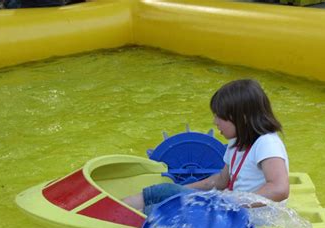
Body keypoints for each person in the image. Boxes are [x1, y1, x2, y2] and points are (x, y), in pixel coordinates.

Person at [123, 79, 289, 214]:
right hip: (233, 208)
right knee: (164, 193)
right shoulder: (237, 142)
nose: (215, 122)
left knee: (159, 210)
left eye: (220, 117)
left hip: (257, 216)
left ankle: (117, 219)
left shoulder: (267, 143)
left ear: (242, 118)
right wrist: (179, 190)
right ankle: (115, 210)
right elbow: (221, 180)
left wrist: (232, 202)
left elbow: (279, 189)